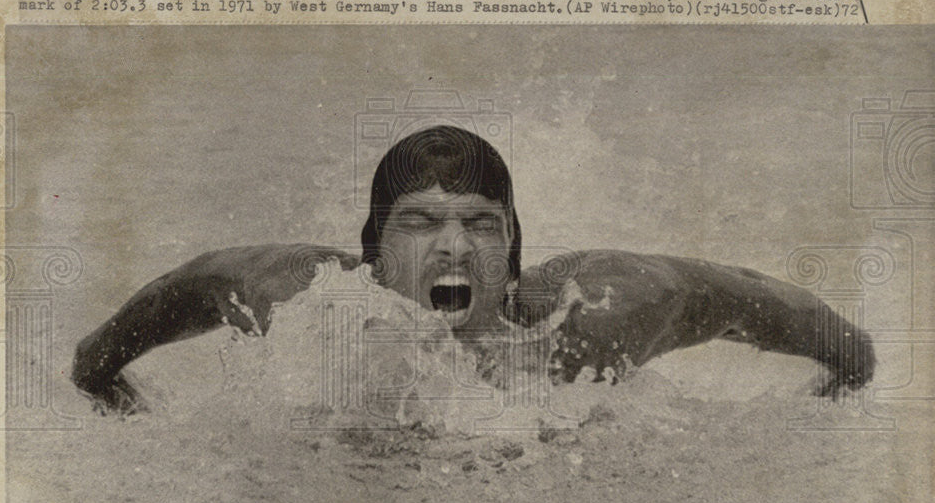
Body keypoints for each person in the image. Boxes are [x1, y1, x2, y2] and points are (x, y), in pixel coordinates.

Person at [72, 125, 874, 413]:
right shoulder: (304, 302)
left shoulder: (594, 319)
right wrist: (108, 385)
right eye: (420, 222)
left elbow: (760, 301)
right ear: (374, 252)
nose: (453, 247)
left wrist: (845, 372)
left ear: (514, 251)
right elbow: (129, 332)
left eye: (481, 226)